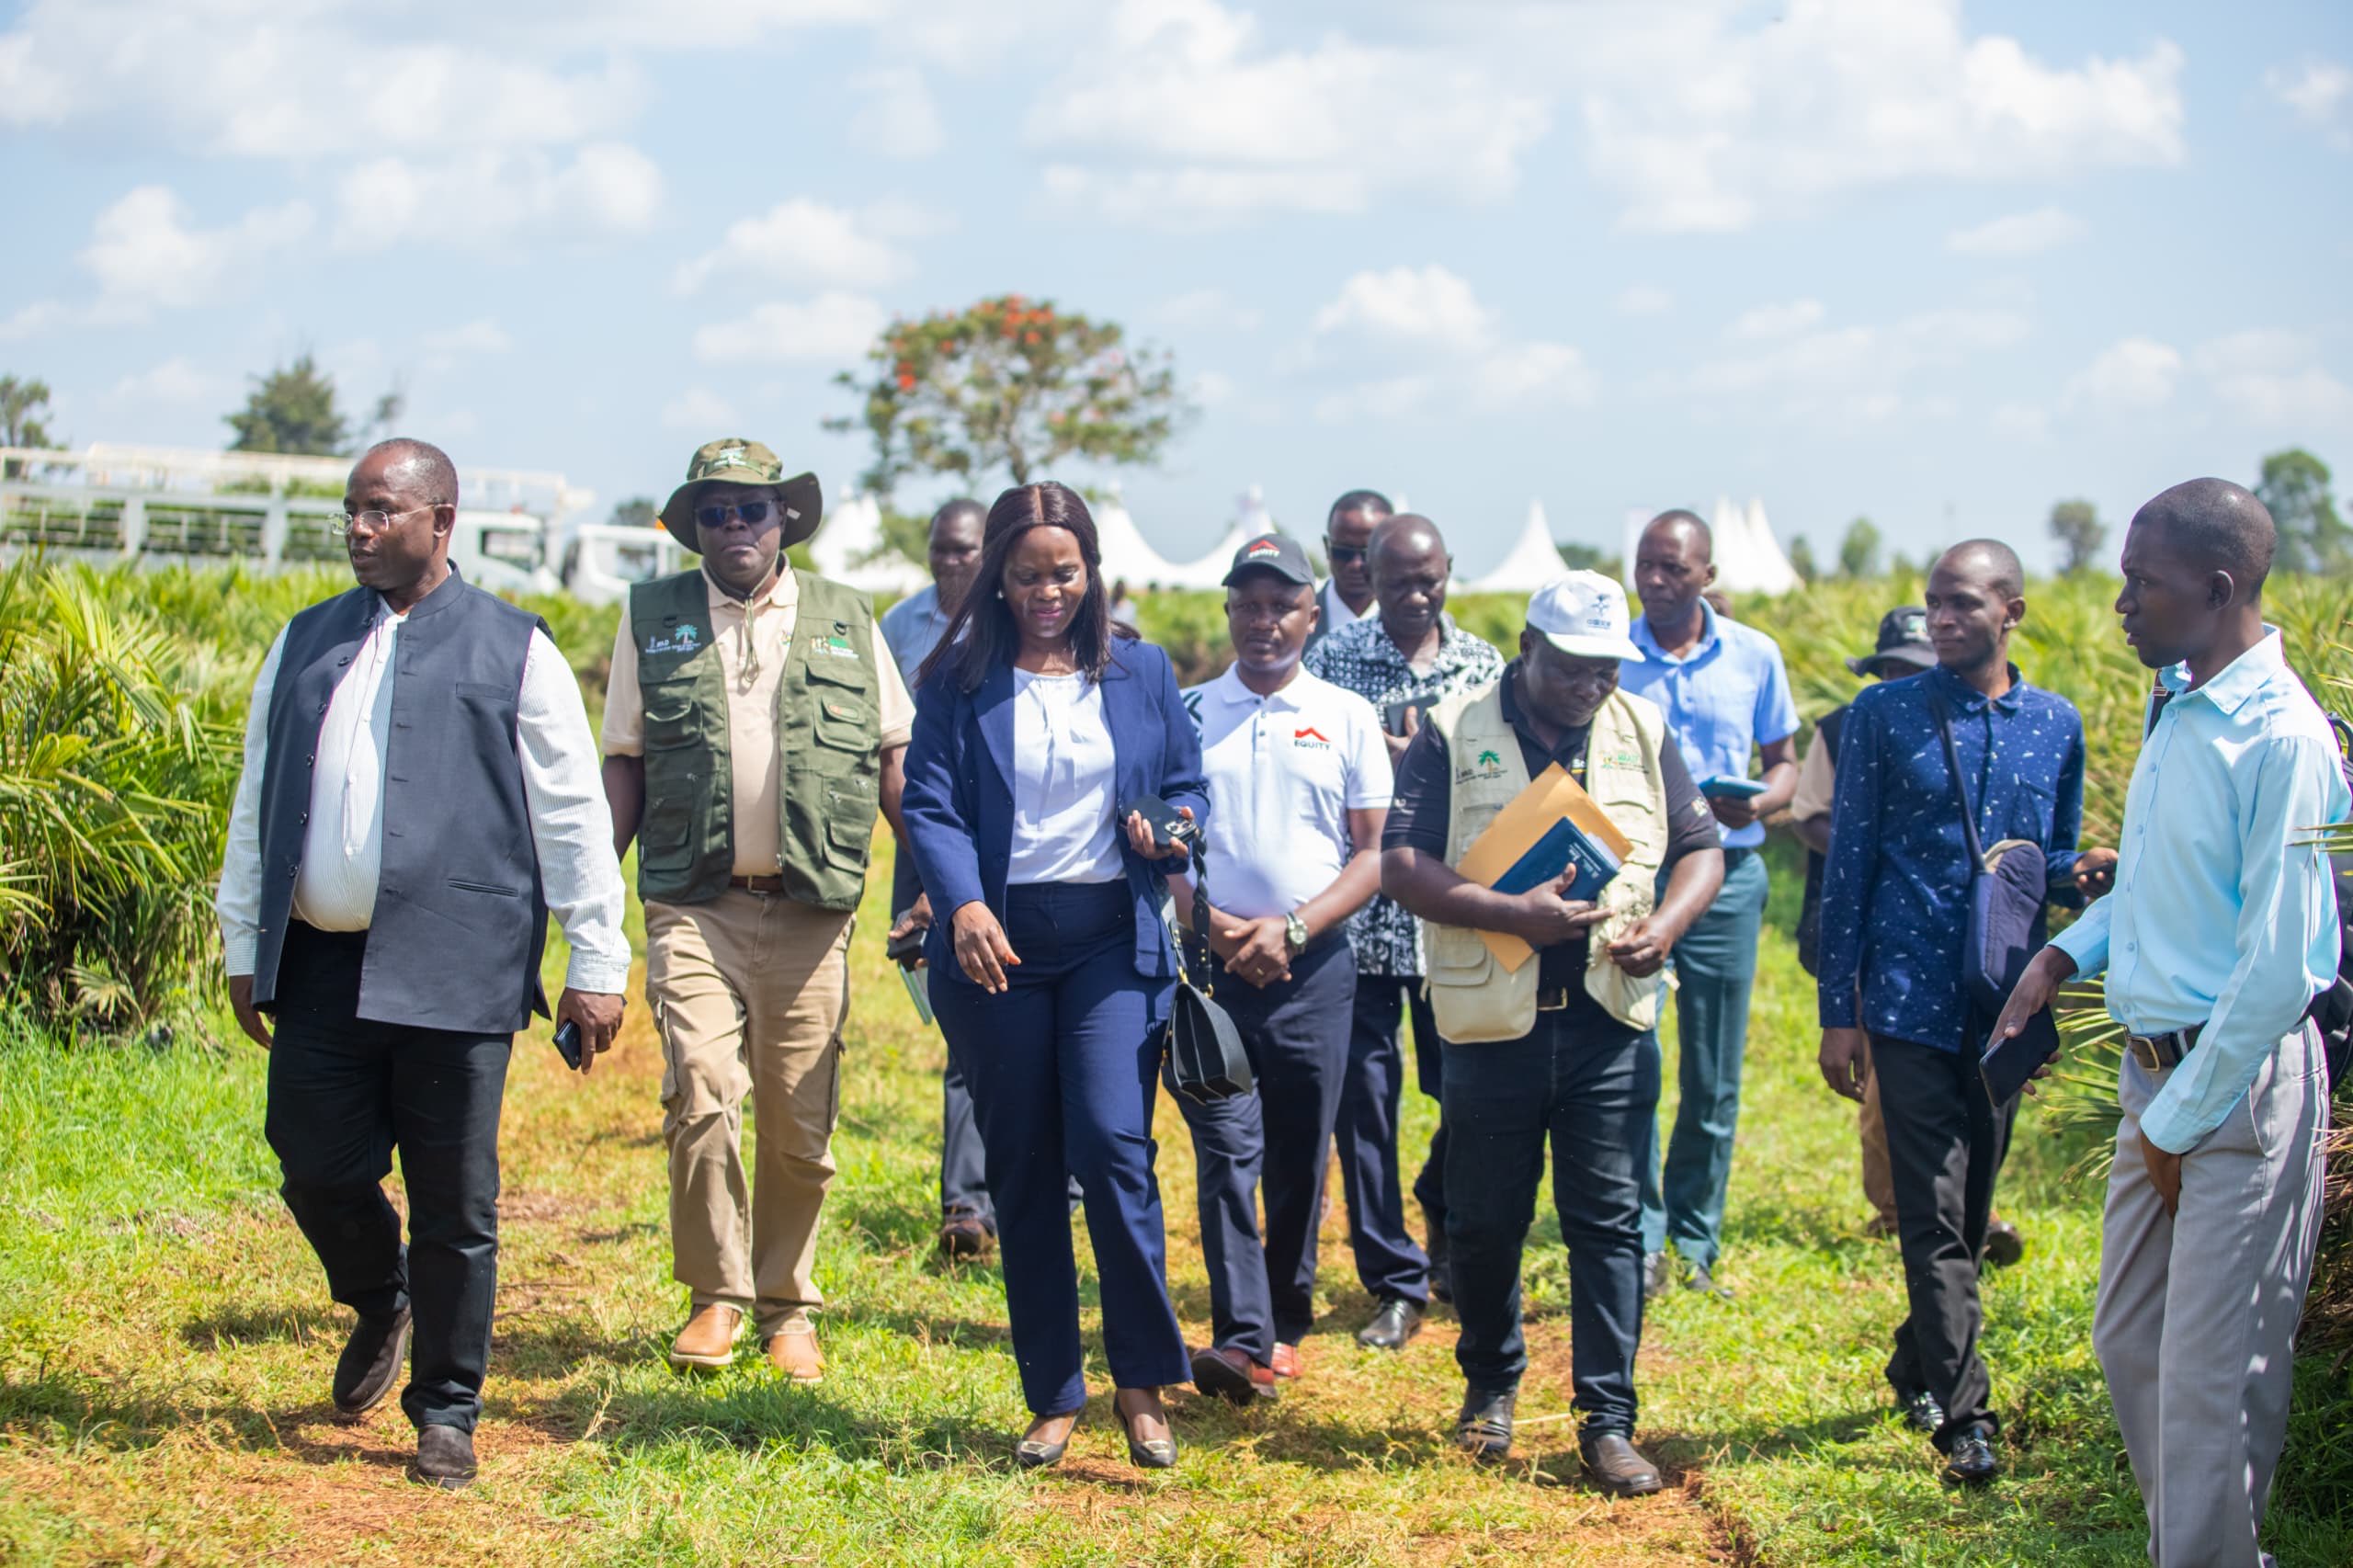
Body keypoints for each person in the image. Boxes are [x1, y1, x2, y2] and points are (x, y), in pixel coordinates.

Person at [216, 438, 631, 1490]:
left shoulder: (513, 647)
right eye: (351, 511)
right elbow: (258, 800)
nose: (359, 530)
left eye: (381, 511)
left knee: (457, 1199)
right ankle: (379, 1296)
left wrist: (596, 955)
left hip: (459, 962)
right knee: (313, 1160)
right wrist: (241, 939)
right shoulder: (305, 641)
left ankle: (447, 1407)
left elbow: (574, 810)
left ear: (440, 520)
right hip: (321, 964)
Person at [1995, 480, 2347, 1563]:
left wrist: (2173, 1122)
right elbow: (2155, 888)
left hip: (2233, 1085)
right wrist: (2064, 953)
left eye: (2139, 580)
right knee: (2128, 1341)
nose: (2120, 601)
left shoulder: (2281, 740)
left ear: (2217, 585)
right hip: (2161, 1079)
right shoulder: (2177, 703)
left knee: (2208, 1379)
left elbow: (2280, 964)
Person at [1381, 572, 1724, 1489]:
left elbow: (1700, 847)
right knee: (1485, 1217)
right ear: (1527, 647)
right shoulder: (1455, 731)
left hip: (1609, 1015)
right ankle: (1489, 1387)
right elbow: (1402, 863)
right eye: (1572, 666)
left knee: (1608, 1222)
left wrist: (1666, 926)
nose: (1589, 685)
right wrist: (1505, 910)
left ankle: (1606, 1420)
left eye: (1605, 668)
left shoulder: (1640, 728)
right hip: (1491, 1019)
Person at [901, 480, 1205, 1471]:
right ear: (995, 574)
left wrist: (1172, 826)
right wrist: (964, 902)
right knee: (1024, 1166)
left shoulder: (1142, 669)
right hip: (997, 950)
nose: (1047, 591)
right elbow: (933, 807)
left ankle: (1143, 1385)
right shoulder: (955, 678)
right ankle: (1054, 1393)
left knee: (1116, 1149)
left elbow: (1188, 785)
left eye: (1064, 572)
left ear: (1091, 570)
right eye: (1027, 573)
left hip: (1110, 939)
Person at [601, 438, 915, 1384]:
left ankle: (788, 1304)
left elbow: (893, 756)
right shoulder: (649, 615)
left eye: (752, 510)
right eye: (715, 512)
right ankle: (716, 1294)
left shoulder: (844, 616)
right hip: (693, 900)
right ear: (693, 525)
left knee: (796, 1118)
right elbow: (625, 758)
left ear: (785, 518)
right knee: (702, 1091)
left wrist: (939, 879)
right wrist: (580, 895)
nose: (734, 527)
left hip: (812, 903)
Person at [1815, 540, 2115, 1485]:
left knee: (1972, 1201)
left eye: (1961, 605)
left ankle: (1917, 1359)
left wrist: (2083, 875)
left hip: (2003, 1006)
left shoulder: (2053, 724)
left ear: (2010, 611)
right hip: (1903, 999)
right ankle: (1963, 1415)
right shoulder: (1882, 715)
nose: (1941, 619)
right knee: (1934, 1214)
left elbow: (2047, 863)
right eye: (1933, 604)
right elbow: (1849, 865)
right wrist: (1838, 1009)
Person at [1172, 531, 1392, 1402]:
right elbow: (1162, 847)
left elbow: (1373, 854)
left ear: (1311, 613)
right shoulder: (1187, 714)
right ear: (1228, 613)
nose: (1264, 622)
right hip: (1213, 969)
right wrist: (1218, 928)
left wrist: (1293, 931)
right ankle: (1240, 1335)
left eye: (1281, 606)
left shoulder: (1346, 715)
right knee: (1226, 1149)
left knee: (1301, 1153)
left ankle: (1285, 1318)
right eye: (1247, 606)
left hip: (1316, 967)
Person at [1303, 513, 1504, 1350]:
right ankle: (1394, 1277)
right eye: (1397, 583)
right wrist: (1383, 759)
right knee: (1367, 1108)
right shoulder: (1332, 662)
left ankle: (1449, 1229)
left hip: (1459, 918)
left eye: (1429, 581)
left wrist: (1425, 759)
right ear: (1366, 580)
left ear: (1449, 572)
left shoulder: (1485, 666)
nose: (1415, 598)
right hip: (1367, 925)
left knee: (1469, 1094)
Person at [1619, 509, 1799, 1298]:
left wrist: (1759, 807)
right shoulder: (1612, 657)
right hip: (1633, 881)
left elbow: (1784, 763)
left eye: (1674, 570)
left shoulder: (1755, 656)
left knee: (1713, 1071)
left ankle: (1695, 1238)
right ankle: (1643, 1236)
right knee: (1632, 1059)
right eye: (1646, 567)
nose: (1656, 582)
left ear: (1708, 576)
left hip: (1726, 880)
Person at [879, 497, 1005, 1258]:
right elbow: (887, 753)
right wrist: (929, 867)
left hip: (1009, 846)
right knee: (959, 1016)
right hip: (923, 835)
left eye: (964, 552)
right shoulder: (900, 627)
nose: (950, 565)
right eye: (939, 553)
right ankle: (966, 1200)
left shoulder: (1022, 623)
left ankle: (1038, 1186)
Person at [1790, 607, 1934, 1240]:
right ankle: (1900, 1213)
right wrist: (1874, 852)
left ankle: (1945, 1206)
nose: (1903, 681)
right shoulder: (1842, 728)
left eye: (1916, 671)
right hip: (1864, 929)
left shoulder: (1953, 729)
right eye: (1892, 670)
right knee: (1884, 1077)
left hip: (1937, 931)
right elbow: (1808, 815)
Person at [1307, 488, 1392, 653]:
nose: (1356, 564)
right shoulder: (1297, 620)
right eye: (1343, 552)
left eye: (1368, 553)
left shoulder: (1411, 625)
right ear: (1327, 547)